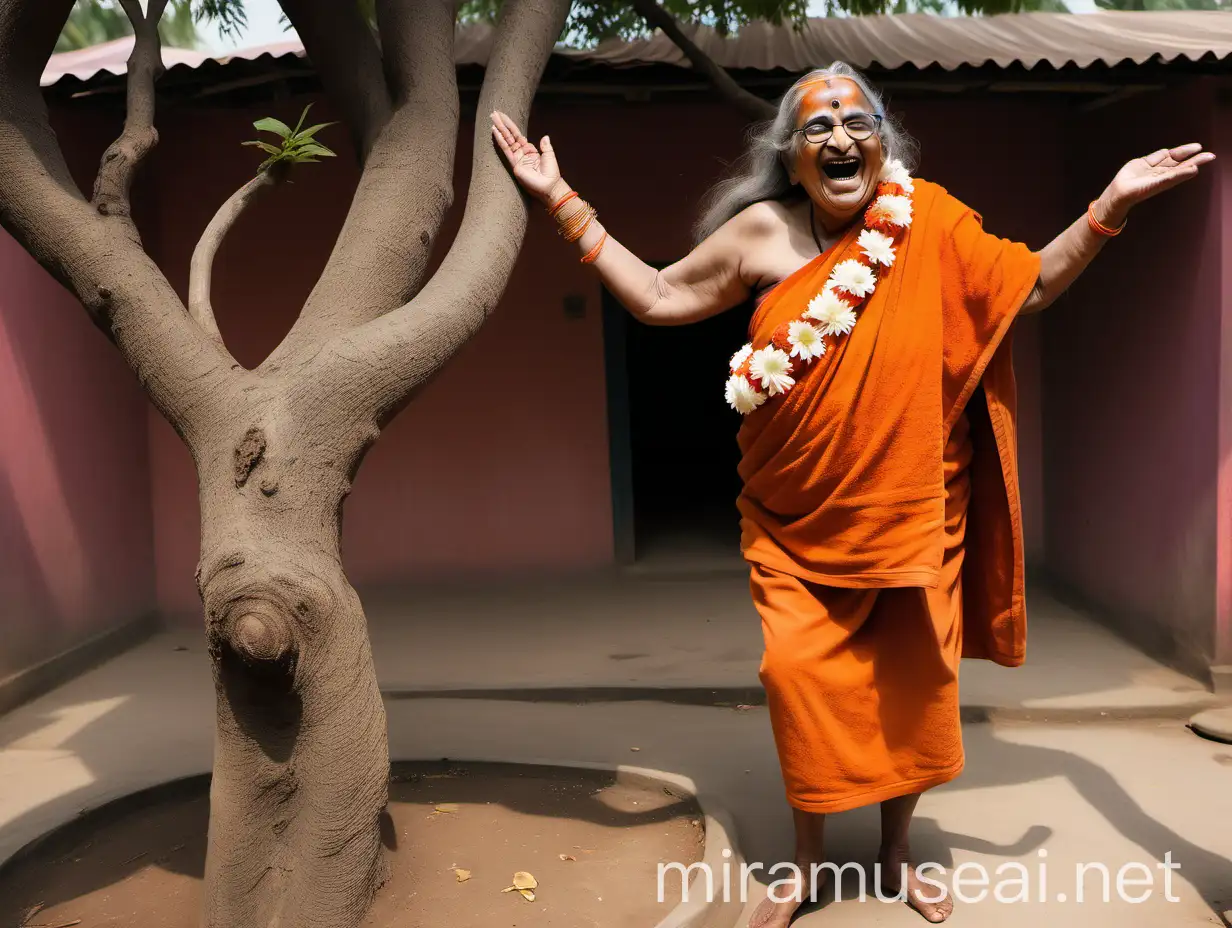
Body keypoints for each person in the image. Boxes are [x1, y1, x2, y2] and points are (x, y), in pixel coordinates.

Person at [491, 62, 1212, 926]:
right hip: (794, 522)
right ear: (790, 157)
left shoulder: (930, 223)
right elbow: (657, 293)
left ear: (883, 140)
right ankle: (803, 865)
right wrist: (560, 198)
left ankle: (897, 854)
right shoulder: (759, 233)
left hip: (913, 515)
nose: (839, 139)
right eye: (817, 128)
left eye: (856, 123)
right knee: (800, 681)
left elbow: (1035, 286)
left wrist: (1113, 201)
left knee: (908, 691)